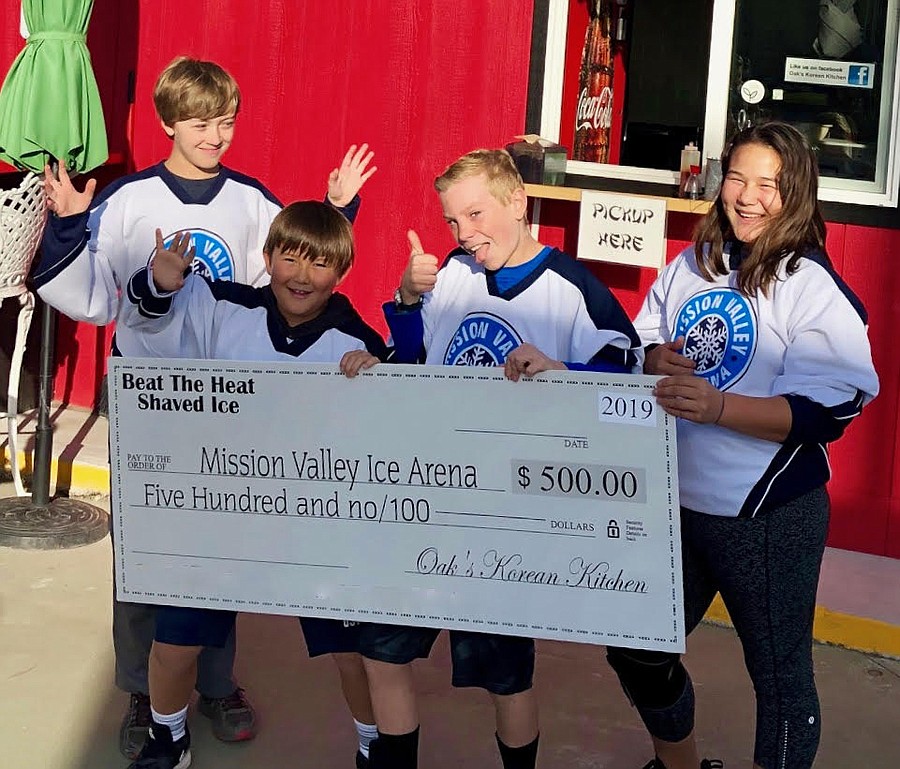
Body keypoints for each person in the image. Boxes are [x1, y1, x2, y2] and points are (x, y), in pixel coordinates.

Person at [31, 55, 376, 760]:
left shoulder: (251, 201)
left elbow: (299, 262)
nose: (215, 136)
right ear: (167, 122)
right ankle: (140, 687)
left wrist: (339, 209)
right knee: (146, 553)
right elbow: (90, 292)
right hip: (148, 400)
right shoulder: (126, 201)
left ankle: (214, 681)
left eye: (225, 122)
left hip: (226, 403)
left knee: (221, 544)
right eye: (199, 123)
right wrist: (69, 225)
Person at [605, 122, 879, 769]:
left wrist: (720, 406)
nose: (748, 196)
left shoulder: (809, 283)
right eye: (738, 178)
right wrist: (652, 357)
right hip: (682, 505)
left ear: (798, 194)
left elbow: (833, 405)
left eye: (769, 184)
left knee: (781, 684)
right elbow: (640, 335)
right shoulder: (696, 262)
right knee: (635, 645)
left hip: (767, 515)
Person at [360, 148, 643, 769]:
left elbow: (628, 370)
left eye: (476, 214)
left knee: (505, 677)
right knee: (383, 651)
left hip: (507, 514)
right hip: (431, 499)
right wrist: (406, 301)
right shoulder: (451, 276)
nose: (464, 233)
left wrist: (562, 369)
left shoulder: (571, 288)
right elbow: (410, 361)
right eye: (453, 221)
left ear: (518, 202)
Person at [116, 200, 390, 769]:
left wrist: (377, 374)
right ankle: (169, 737)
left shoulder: (355, 340)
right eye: (288, 258)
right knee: (174, 643)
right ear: (267, 259)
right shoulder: (221, 303)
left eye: (319, 265)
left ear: (341, 274)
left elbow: (386, 429)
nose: (301, 275)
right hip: (226, 511)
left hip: (314, 520)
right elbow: (148, 332)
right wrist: (159, 283)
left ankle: (373, 743)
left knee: (354, 653)